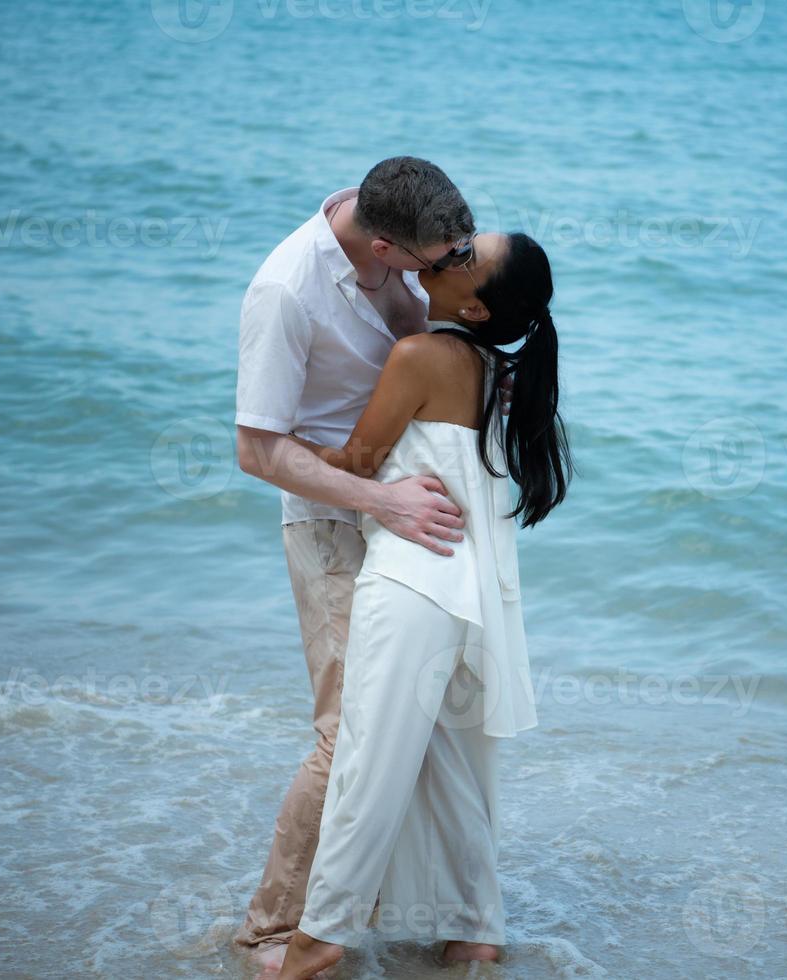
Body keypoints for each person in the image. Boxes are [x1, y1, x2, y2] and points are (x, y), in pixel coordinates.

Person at [278, 232, 570, 979]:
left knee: (367, 760)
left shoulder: (419, 359)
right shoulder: (484, 364)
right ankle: (475, 926)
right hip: (457, 587)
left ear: (472, 305)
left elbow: (360, 464)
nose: (451, 251)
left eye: (467, 256)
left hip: (409, 579)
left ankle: (318, 940)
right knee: (441, 760)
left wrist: (282, 449)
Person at [232, 157, 479, 960]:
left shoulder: (399, 237)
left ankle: (431, 913)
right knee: (349, 730)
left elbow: (421, 343)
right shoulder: (284, 292)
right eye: (433, 265)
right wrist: (381, 501)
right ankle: (275, 929)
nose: (447, 273)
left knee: (433, 712)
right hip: (335, 515)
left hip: (402, 500)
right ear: (383, 248)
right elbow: (256, 450)